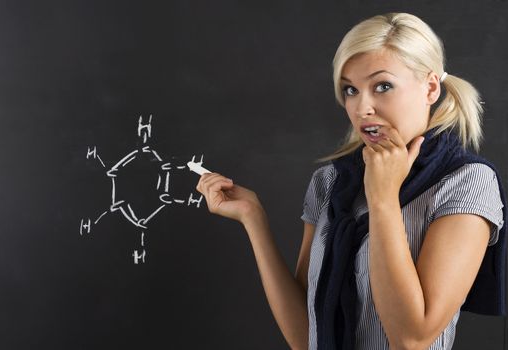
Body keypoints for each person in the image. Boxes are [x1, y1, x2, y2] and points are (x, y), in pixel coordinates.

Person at [195, 12, 506, 350]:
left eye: (382, 86)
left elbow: (411, 338)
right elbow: (306, 336)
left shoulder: (466, 182)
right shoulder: (330, 182)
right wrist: (253, 219)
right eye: (350, 90)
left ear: (431, 87)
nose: (362, 108)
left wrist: (383, 198)